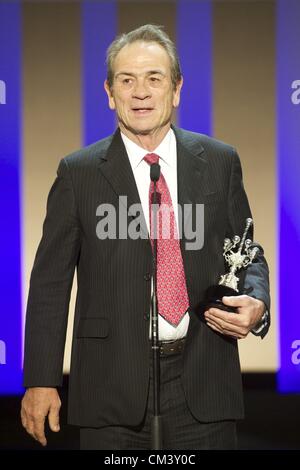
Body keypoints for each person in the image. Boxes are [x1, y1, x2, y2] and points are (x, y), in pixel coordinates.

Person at [21, 24, 270, 450]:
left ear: (176, 90)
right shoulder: (78, 173)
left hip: (204, 377)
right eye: (127, 80)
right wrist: (41, 381)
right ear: (109, 92)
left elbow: (246, 254)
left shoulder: (219, 162)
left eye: (154, 79)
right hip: (111, 383)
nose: (140, 92)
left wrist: (257, 302)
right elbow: (50, 283)